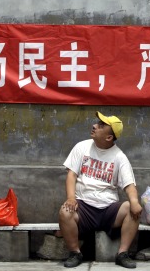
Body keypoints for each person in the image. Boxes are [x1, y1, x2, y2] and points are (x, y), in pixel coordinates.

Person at [59, 111, 142, 269]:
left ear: (109, 137)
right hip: (83, 207)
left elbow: (129, 185)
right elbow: (71, 175)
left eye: (101, 125)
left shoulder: (119, 157)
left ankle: (122, 253)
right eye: (97, 123)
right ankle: (75, 253)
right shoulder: (82, 147)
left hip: (108, 209)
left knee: (132, 209)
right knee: (65, 211)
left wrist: (134, 201)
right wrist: (71, 197)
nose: (95, 126)